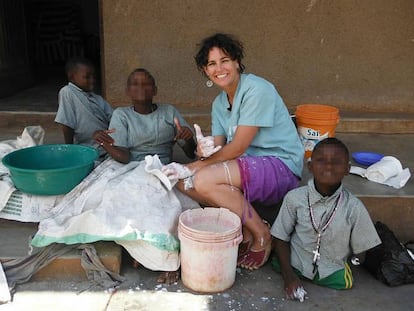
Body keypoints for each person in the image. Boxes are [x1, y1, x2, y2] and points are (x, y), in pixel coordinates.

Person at [172, 33, 304, 270]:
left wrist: (196, 165)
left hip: (280, 166)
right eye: (211, 64)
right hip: (244, 166)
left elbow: (239, 147)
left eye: (224, 60)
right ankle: (243, 226)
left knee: (200, 178)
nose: (219, 68)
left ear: (237, 62)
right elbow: (220, 148)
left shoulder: (257, 89)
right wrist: (204, 150)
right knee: (185, 183)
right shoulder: (218, 104)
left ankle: (262, 234)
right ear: (205, 71)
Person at [271, 138, 381, 301]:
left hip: (331, 270)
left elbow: (361, 251)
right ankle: (292, 271)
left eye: (336, 162)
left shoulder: (353, 207)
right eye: (321, 160)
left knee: (346, 281)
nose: (328, 166)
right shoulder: (294, 198)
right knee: (277, 261)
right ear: (310, 166)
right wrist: (289, 277)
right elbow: (280, 237)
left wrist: (354, 259)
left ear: (347, 169)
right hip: (295, 264)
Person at [93, 68, 196, 164]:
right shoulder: (121, 115)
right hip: (131, 168)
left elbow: (191, 154)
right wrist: (103, 142)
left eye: (146, 84)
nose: (141, 87)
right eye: (135, 84)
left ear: (155, 90)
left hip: (162, 168)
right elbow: (123, 157)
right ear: (128, 91)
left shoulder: (169, 111)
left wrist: (188, 139)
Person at [55, 57, 113, 157]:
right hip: (87, 148)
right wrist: (69, 149)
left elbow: (114, 117)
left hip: (107, 145)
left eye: (93, 76)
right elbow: (67, 123)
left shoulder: (97, 98)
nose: (92, 80)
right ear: (72, 77)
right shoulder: (68, 92)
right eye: (87, 77)